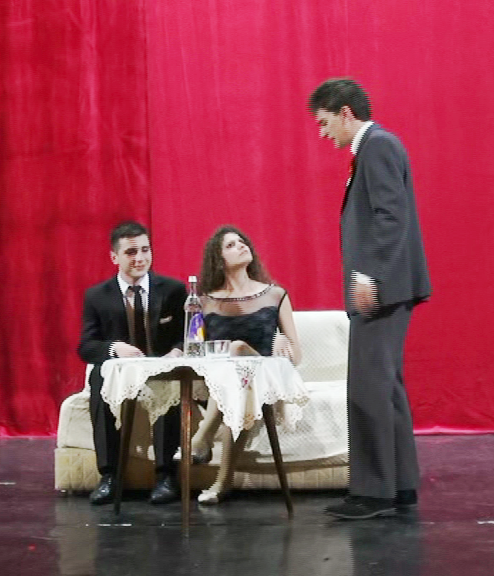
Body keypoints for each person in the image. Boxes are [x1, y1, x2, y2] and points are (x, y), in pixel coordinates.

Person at [308, 78, 432, 519]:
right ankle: (400, 485)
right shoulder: (377, 146)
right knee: (386, 386)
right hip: (390, 286)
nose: (322, 132)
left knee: (369, 389)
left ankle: (374, 492)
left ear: (345, 113)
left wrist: (368, 274)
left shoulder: (377, 145)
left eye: (324, 122)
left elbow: (390, 216)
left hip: (382, 287)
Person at [178, 225, 302, 504]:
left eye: (242, 241)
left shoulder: (275, 294)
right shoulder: (205, 301)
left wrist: (282, 343)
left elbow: (297, 355)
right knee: (238, 385)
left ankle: (202, 437)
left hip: (266, 378)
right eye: (231, 245)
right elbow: (197, 350)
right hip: (223, 384)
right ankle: (222, 482)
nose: (242, 245)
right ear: (219, 259)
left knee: (237, 352)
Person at [78, 221, 188, 505]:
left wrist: (177, 351)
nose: (140, 258)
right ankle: (110, 476)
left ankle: (166, 475)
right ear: (114, 257)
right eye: (131, 252)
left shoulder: (174, 290)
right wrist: (114, 348)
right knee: (99, 378)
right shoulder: (96, 296)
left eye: (145, 250)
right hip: (120, 372)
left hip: (161, 367)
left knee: (170, 381)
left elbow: (188, 335)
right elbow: (86, 346)